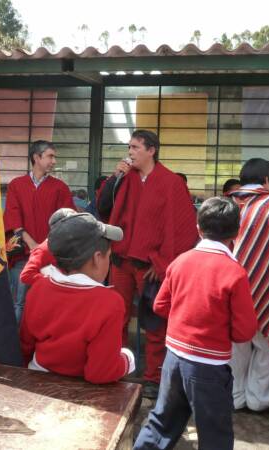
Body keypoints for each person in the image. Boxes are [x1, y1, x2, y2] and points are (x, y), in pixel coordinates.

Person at [133, 197, 258, 450]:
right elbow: (244, 331)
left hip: (174, 357)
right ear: (237, 231)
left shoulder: (180, 261)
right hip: (210, 365)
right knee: (215, 433)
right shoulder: (234, 272)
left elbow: (160, 306)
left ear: (198, 228)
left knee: (162, 421)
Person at [97, 129, 198, 399]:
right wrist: (113, 178)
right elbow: (103, 208)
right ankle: (116, 367)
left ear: (151, 150)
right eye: (129, 147)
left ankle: (154, 377)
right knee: (115, 316)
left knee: (155, 322)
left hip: (150, 264)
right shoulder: (124, 178)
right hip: (121, 259)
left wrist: (165, 262)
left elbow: (183, 227)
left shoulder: (171, 182)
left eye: (135, 147)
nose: (130, 152)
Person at [19, 212, 135, 384]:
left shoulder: (39, 288)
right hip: (83, 390)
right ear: (97, 258)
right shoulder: (109, 303)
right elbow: (100, 373)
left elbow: (25, 345)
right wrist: (128, 359)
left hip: (39, 378)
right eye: (108, 256)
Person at [228, 158, 269, 411]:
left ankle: (235, 397)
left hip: (235, 287)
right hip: (268, 287)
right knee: (266, 347)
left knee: (237, 345)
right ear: (267, 180)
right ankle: (258, 400)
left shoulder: (231, 205)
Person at [4, 140, 75, 323]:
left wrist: (43, 248)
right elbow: (13, 218)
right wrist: (32, 244)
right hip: (22, 256)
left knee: (49, 304)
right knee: (19, 302)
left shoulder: (60, 188)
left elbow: (66, 221)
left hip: (51, 257)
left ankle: (41, 347)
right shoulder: (16, 185)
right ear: (36, 157)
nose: (54, 161)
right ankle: (15, 349)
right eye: (50, 156)